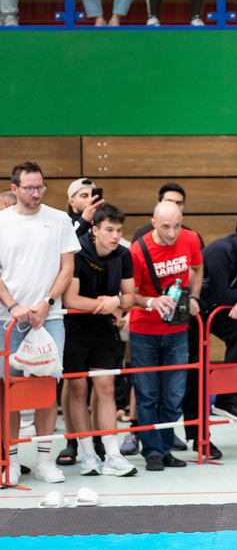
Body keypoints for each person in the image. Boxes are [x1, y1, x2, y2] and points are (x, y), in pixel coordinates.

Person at [0, 162, 80, 486]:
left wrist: (47, 304)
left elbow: (67, 268)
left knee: (47, 388)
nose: (37, 194)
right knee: (9, 392)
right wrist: (13, 305)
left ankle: (45, 459)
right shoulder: (2, 222)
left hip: (50, 319)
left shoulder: (59, 220)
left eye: (41, 187)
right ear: (15, 188)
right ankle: (13, 460)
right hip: (8, 319)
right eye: (30, 188)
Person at [183, 208, 237, 459]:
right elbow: (225, 293)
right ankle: (198, 438)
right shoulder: (221, 250)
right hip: (196, 314)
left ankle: (226, 399)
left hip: (219, 312)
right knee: (195, 375)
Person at [125, 182, 201, 456]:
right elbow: (127, 294)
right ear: (153, 223)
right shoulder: (137, 250)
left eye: (177, 226)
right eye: (165, 227)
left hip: (177, 330)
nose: (171, 233)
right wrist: (150, 301)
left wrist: (194, 296)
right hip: (144, 331)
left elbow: (197, 266)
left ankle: (166, 449)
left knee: (173, 395)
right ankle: (152, 452)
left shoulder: (190, 239)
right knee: (146, 395)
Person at [62, 204, 137, 477]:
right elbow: (71, 299)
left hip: (103, 328)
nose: (115, 235)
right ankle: (88, 454)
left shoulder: (124, 255)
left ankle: (112, 454)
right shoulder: (77, 253)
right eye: (109, 230)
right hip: (73, 328)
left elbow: (129, 295)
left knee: (106, 387)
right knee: (78, 389)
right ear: (94, 230)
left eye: (119, 230)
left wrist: (116, 301)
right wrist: (105, 304)